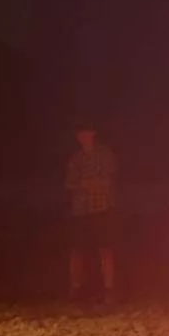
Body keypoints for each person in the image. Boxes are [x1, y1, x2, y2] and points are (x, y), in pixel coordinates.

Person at [66, 123, 117, 304]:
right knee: (78, 251)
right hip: (81, 210)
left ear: (93, 133)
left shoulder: (104, 155)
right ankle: (76, 289)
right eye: (79, 132)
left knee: (105, 250)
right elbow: (71, 184)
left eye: (85, 132)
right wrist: (89, 184)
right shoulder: (75, 158)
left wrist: (86, 183)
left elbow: (106, 182)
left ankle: (109, 290)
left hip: (101, 208)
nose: (82, 136)